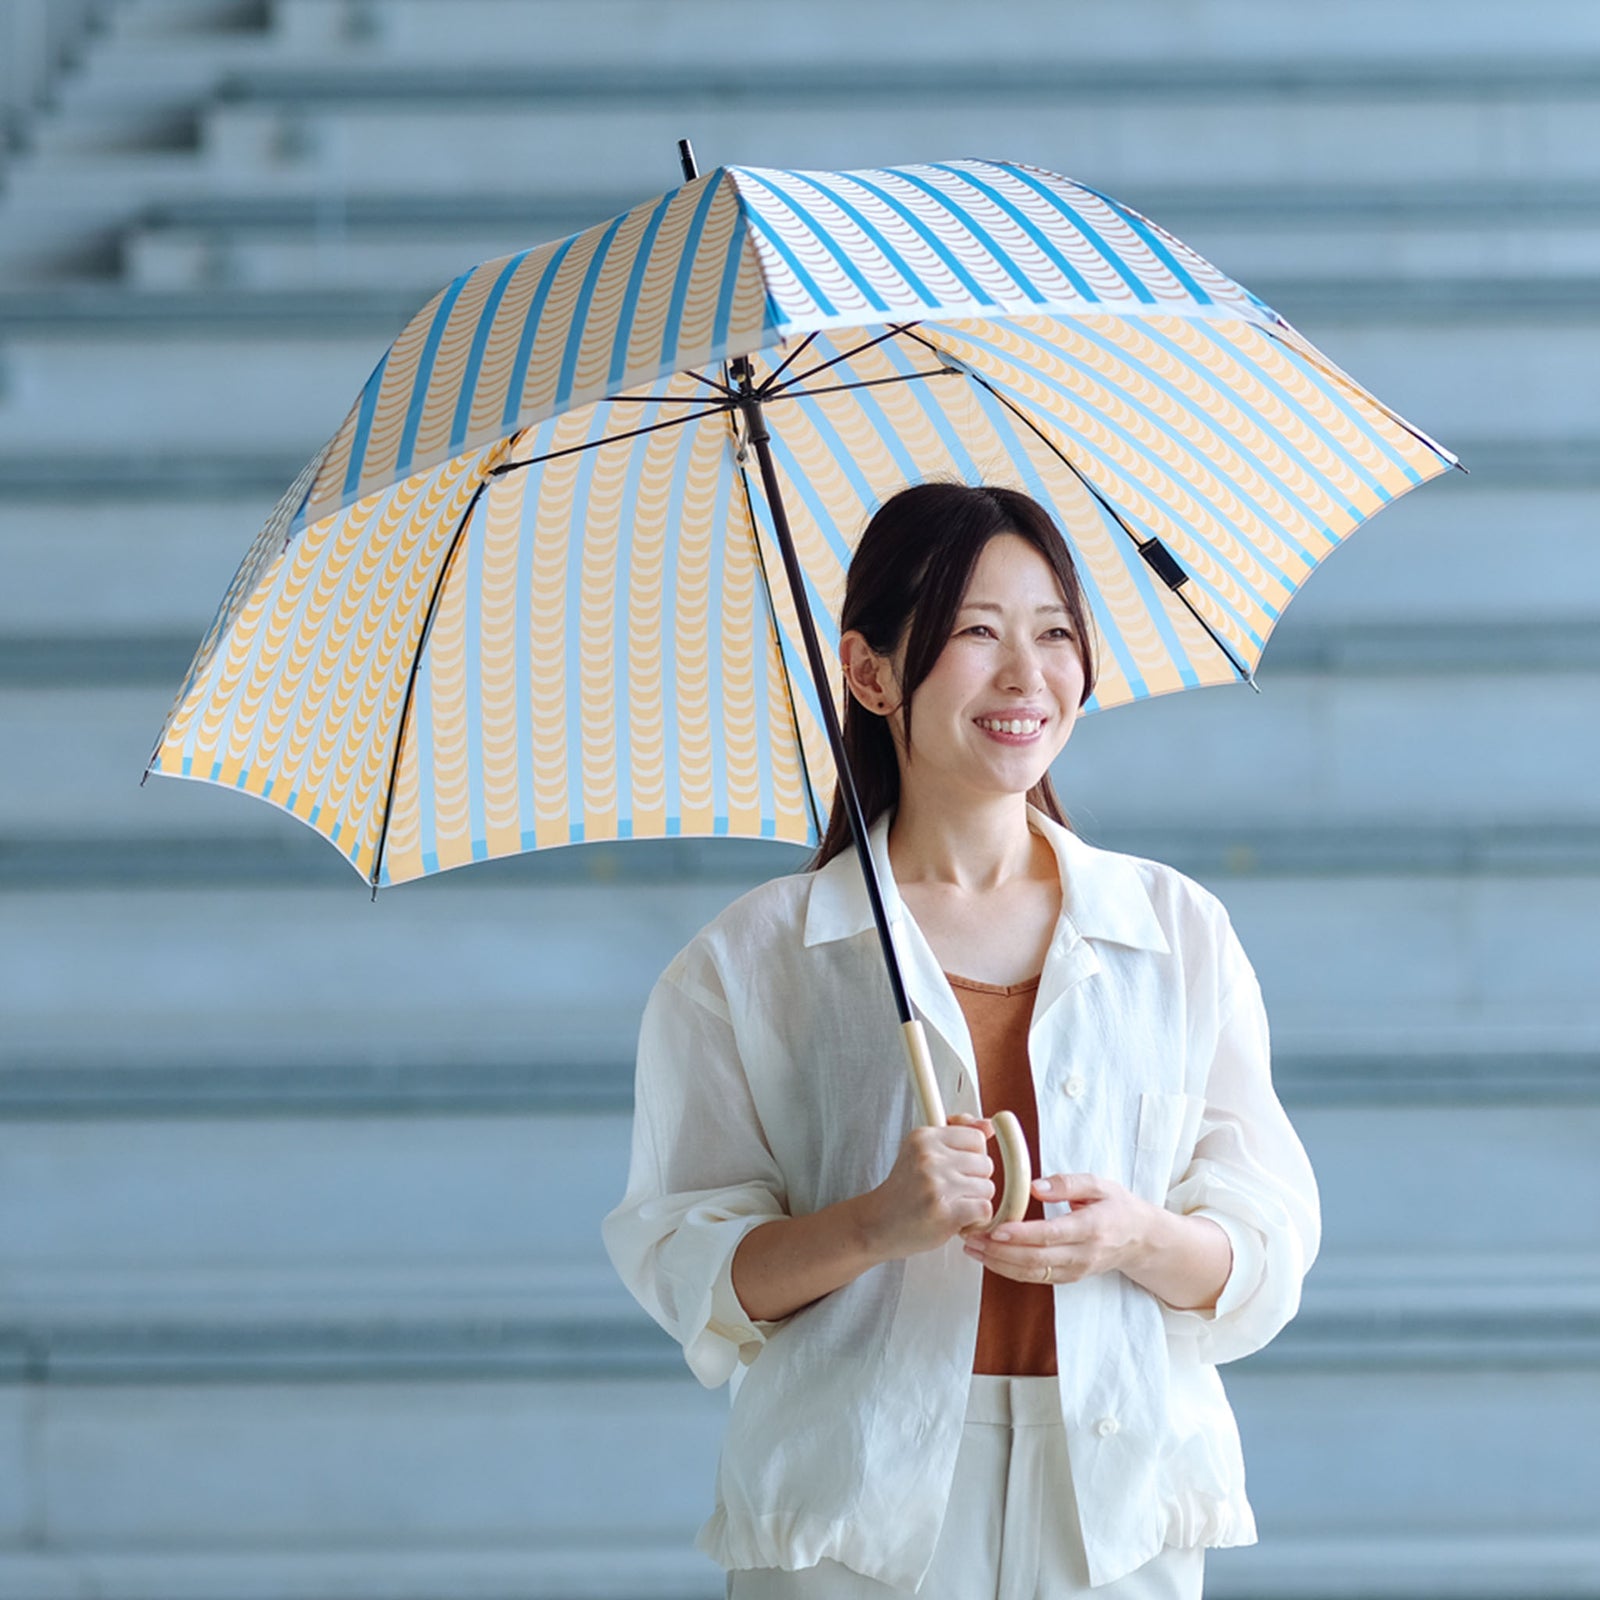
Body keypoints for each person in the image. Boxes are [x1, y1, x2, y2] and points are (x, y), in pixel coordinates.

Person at [602, 482, 1320, 1599]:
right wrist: (874, 1224)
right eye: (975, 634)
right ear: (869, 671)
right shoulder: (752, 962)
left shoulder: (1176, 934)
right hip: (853, 1512)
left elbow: (1264, 1249)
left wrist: (1134, 1236)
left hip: (1115, 1507)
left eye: (1054, 635)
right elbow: (693, 1273)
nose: (1026, 677)